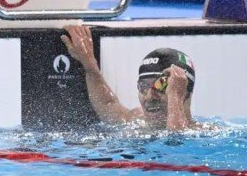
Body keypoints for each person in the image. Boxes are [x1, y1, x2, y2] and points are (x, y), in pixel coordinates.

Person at [61, 25, 197, 130]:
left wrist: (173, 95)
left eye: (161, 86)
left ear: (184, 93)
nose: (149, 96)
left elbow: (176, 146)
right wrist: (89, 65)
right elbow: (108, 104)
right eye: (143, 87)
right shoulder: (137, 120)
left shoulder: (205, 135)